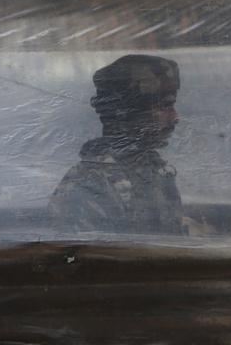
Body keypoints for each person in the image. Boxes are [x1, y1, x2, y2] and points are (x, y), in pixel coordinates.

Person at [49, 54, 186, 235]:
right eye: (165, 106)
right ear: (131, 112)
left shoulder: (153, 170)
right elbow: (92, 251)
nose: (175, 117)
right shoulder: (90, 186)